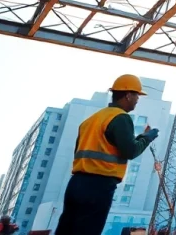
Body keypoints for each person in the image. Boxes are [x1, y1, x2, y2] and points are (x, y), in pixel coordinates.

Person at [53, 75, 160, 235]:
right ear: (128, 95)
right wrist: (148, 137)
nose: (138, 99)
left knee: (67, 230)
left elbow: (110, 146)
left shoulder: (91, 120)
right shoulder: (121, 118)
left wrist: (140, 138)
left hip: (76, 184)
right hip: (98, 186)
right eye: (137, 95)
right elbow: (130, 151)